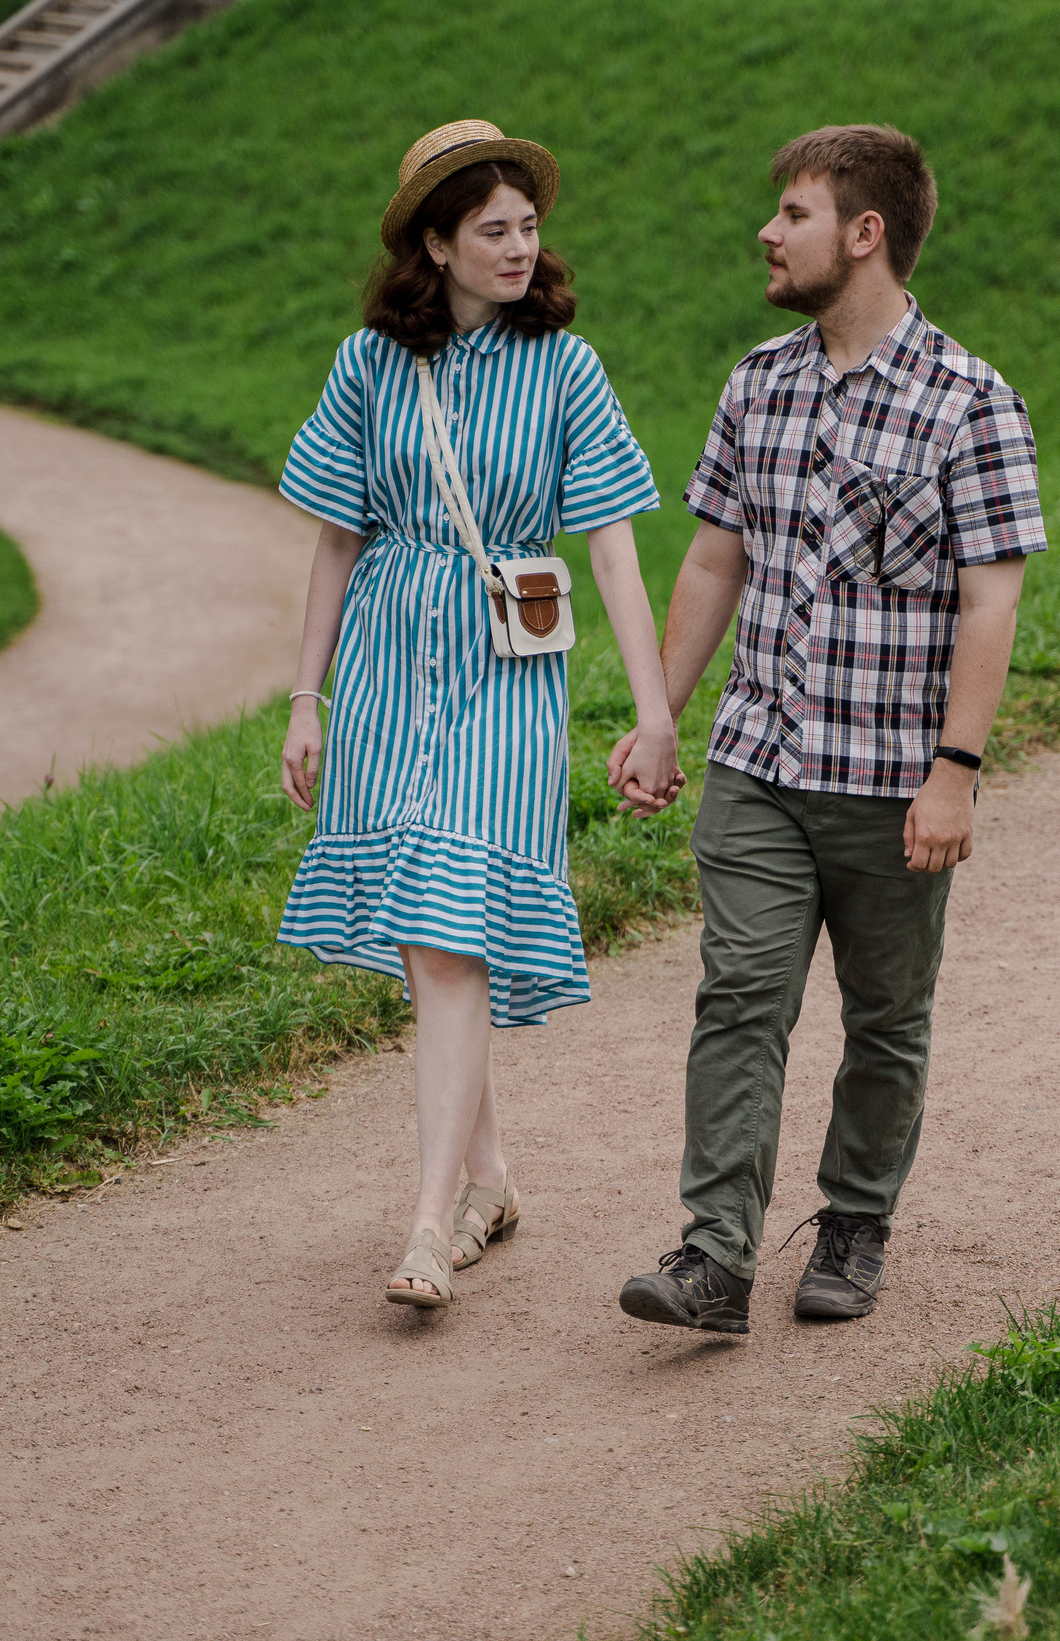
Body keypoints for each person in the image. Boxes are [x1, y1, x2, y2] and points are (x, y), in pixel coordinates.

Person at [612, 124, 1045, 1335]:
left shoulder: (969, 402)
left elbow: (991, 601)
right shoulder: (757, 381)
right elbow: (715, 558)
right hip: (759, 762)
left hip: (892, 781)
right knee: (740, 998)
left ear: (864, 233)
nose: (768, 232)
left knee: (884, 1020)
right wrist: (660, 715)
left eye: (792, 213)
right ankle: (714, 1256)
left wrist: (954, 772)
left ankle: (854, 1221)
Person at [276, 120, 681, 1310]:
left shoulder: (566, 367)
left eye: (529, 227)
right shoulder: (367, 365)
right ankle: (489, 1182)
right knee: (433, 942)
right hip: (386, 669)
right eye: (492, 230)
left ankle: (425, 1220)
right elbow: (335, 542)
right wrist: (305, 699)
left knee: (451, 929)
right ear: (437, 245)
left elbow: (611, 547)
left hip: (509, 674)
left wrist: (654, 710)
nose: (518, 247)